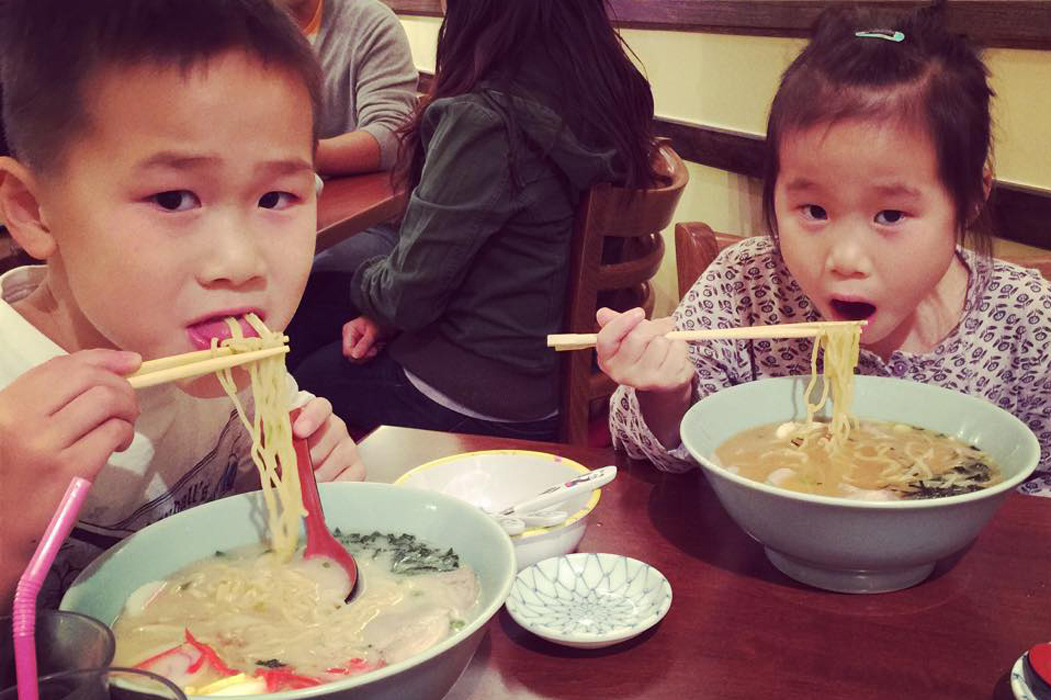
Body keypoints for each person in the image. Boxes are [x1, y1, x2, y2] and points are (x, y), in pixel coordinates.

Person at [0, 0, 366, 610]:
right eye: (173, 199)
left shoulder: (233, 360)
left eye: (276, 198)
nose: (240, 263)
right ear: (33, 212)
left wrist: (306, 471)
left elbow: (263, 510)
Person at [598, 6, 1051, 496]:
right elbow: (647, 440)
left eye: (890, 216)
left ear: (969, 200)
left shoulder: (1022, 317)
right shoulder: (745, 285)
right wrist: (664, 389)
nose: (846, 258)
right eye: (814, 210)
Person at [291, 0, 659, 441]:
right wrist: (387, 308)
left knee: (305, 366)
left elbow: (406, 297)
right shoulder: (616, 92)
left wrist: (376, 295)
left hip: (481, 396)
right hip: (564, 378)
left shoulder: (486, 119)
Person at [276, 0, 418, 273]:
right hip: (259, 218)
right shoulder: (239, 33)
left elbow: (392, 137)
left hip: (362, 226)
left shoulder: (369, 23)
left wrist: (287, 158)